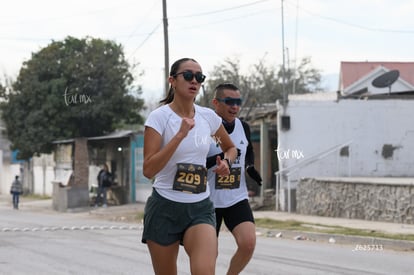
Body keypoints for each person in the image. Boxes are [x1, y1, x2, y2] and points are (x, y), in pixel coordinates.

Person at [142, 58, 238, 275]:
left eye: (199, 77)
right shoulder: (159, 118)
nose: (194, 80)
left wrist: (227, 164)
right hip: (164, 207)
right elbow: (148, 170)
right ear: (172, 81)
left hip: (200, 207)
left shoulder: (208, 117)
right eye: (188, 75)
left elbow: (231, 149)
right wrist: (180, 135)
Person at [206, 83, 263, 275]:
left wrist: (249, 167)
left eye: (238, 102)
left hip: (235, 198)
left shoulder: (243, 126)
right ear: (216, 103)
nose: (235, 106)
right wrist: (215, 162)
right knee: (208, 254)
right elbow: (193, 158)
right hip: (207, 201)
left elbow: (247, 150)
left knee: (248, 244)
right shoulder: (206, 128)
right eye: (229, 101)